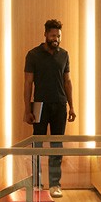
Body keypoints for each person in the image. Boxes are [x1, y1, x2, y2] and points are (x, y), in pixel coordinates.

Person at [22, 19, 75, 191]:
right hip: (39, 104)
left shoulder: (64, 55)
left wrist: (72, 106)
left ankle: (55, 184)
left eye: (58, 36)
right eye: (53, 35)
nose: (56, 38)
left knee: (57, 145)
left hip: (60, 104)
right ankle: (37, 183)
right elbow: (28, 83)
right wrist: (27, 109)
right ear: (45, 34)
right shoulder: (33, 55)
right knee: (37, 144)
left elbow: (67, 82)